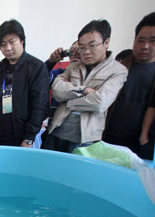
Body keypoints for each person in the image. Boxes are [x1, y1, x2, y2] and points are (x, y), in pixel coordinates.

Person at [42, 20, 128, 153]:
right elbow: (57, 91)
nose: (86, 52)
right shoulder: (74, 66)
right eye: (82, 47)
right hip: (56, 131)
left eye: (92, 46)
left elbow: (100, 102)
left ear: (106, 42)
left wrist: (69, 101)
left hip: (85, 139)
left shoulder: (117, 71)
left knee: (76, 173)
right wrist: (84, 90)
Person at [104, 11, 155, 160]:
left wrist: (145, 140)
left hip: (140, 145)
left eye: (153, 40)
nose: (145, 46)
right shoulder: (119, 67)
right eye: (140, 40)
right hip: (108, 138)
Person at [0, 19, 50, 147]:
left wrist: (29, 138)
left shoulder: (36, 67)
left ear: (22, 40)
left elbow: (40, 106)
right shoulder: (0, 68)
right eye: (3, 44)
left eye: (12, 42)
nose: (7, 48)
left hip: (21, 138)